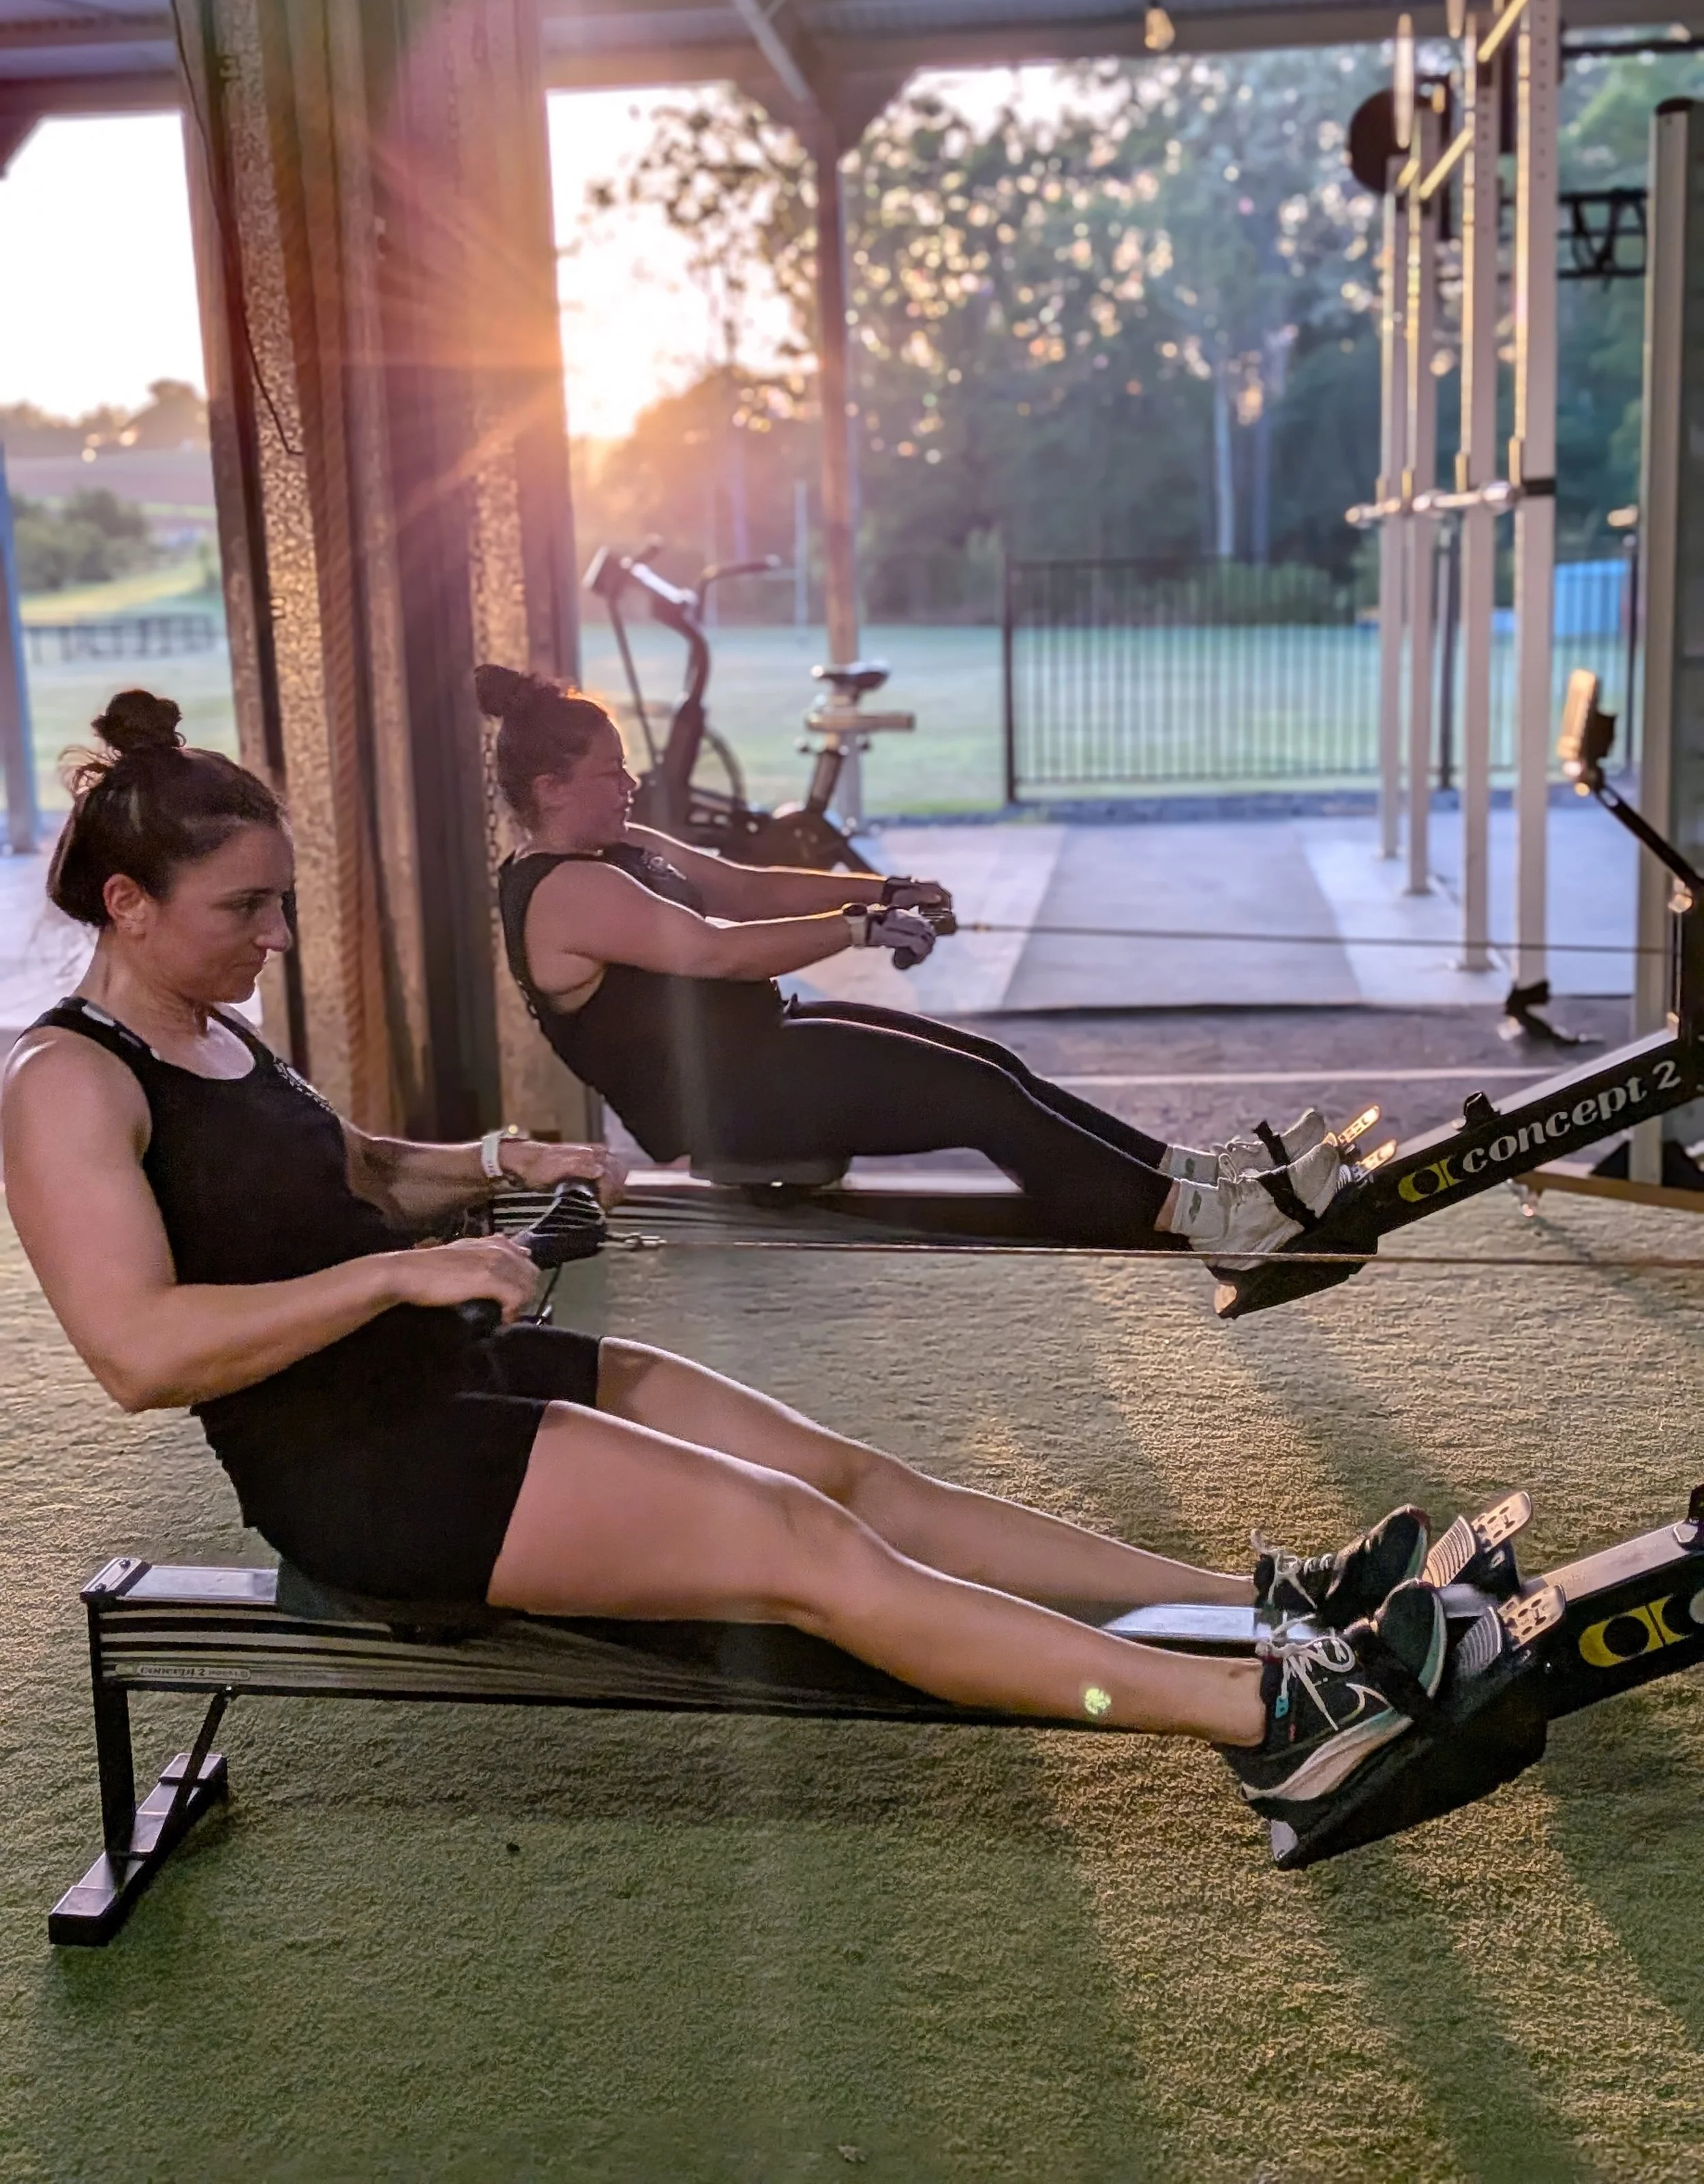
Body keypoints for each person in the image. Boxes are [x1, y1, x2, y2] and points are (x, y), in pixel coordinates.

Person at [1, 689, 1448, 1830]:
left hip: (453, 1376)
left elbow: (358, 1166)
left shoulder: (212, 1026)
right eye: (243, 909)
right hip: (362, 1466)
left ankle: (1258, 1601)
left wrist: (500, 1158)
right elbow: (138, 1352)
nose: (275, 935)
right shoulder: (68, 1083)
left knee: (863, 1483)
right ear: (128, 903)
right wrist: (392, 1275)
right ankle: (1273, 1719)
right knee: (813, 1552)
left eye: (278, 901)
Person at [477, 664, 1351, 1259]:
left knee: (993, 1065)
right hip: (734, 1104)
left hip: (759, 1049)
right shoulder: (565, 892)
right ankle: (1217, 1226)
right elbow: (721, 952)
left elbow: (743, 888)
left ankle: (1200, 1177)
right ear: (551, 789)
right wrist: (859, 928)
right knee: (981, 1101)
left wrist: (883, 888)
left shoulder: (616, 846)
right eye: (610, 773)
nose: (629, 785)